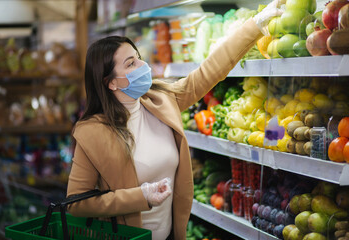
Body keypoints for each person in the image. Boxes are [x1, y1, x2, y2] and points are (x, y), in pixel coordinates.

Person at [66, 1, 284, 239]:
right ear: (111, 82)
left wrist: (255, 26)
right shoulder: (92, 133)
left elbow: (209, 71)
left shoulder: (161, 101)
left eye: (138, 58)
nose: (143, 65)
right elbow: (76, 204)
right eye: (131, 64)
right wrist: (141, 197)